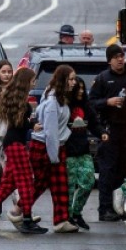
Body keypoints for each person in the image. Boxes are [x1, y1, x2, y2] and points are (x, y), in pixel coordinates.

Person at [0, 67, 46, 235]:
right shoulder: (20, 101)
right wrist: (32, 124)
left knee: (9, 183)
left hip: (12, 143)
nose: (34, 83)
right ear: (26, 82)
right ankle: (27, 219)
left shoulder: (12, 97)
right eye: (32, 80)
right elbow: (19, 123)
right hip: (16, 144)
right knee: (27, 182)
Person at [89, 43, 126, 221]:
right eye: (116, 57)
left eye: (122, 56)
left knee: (122, 169)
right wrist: (107, 102)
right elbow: (92, 102)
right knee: (107, 169)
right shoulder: (102, 78)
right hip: (110, 128)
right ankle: (105, 209)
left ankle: (119, 207)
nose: (120, 59)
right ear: (109, 60)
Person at [27, 64, 78, 233]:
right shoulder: (52, 101)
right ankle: (20, 209)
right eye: (71, 79)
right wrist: (54, 155)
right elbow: (50, 132)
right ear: (63, 80)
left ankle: (61, 220)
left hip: (54, 147)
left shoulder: (59, 98)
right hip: (46, 147)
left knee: (60, 184)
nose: (74, 82)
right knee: (40, 183)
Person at [65, 78, 106, 230]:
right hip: (68, 150)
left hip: (83, 149)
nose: (82, 91)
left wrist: (102, 133)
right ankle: (68, 217)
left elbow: (95, 123)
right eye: (79, 88)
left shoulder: (86, 106)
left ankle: (77, 211)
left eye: (83, 88)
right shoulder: (64, 106)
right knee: (69, 186)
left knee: (88, 181)